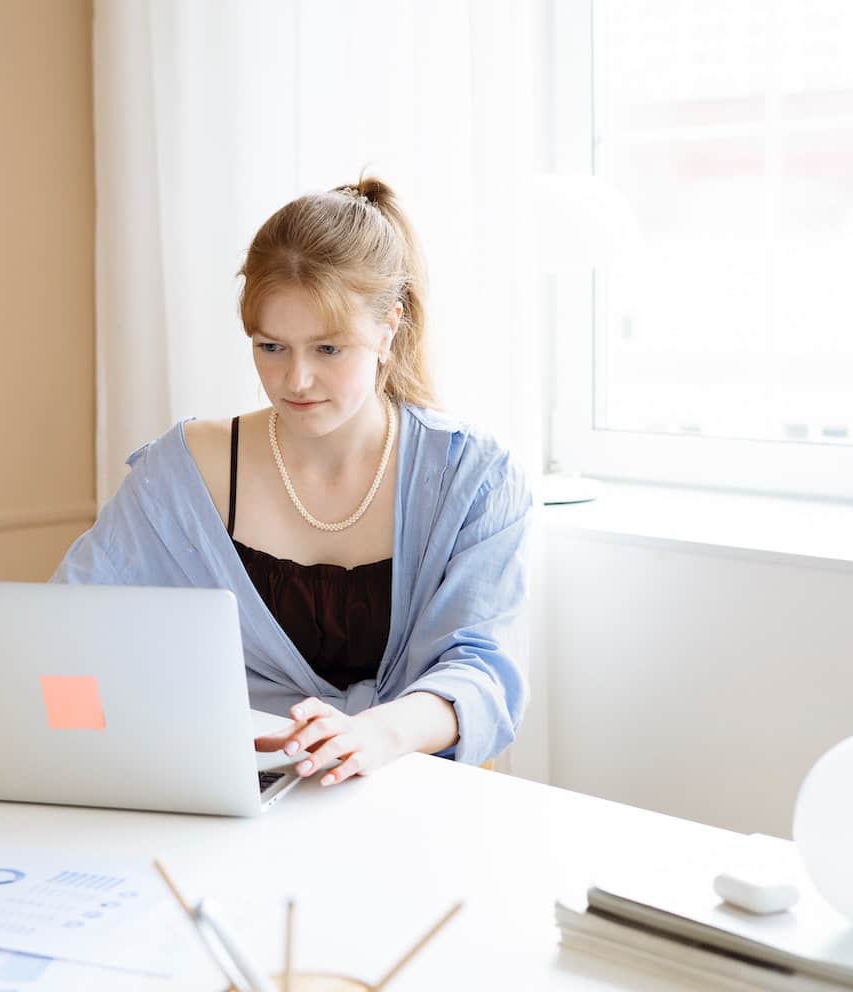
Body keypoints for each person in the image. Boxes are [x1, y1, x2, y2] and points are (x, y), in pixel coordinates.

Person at [51, 176, 532, 785]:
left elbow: (484, 671)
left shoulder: (475, 476)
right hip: (222, 792)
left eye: (328, 349)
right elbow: (67, 628)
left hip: (408, 787)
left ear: (390, 326)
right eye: (271, 347)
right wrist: (68, 762)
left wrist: (375, 734)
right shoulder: (182, 472)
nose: (295, 380)